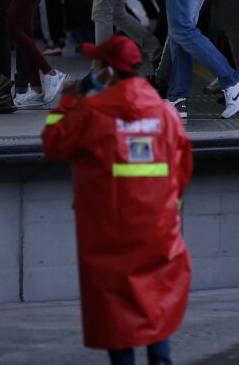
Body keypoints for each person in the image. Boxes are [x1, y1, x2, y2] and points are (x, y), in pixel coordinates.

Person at [41, 35, 192, 365]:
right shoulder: (165, 115)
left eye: (98, 65)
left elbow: (54, 145)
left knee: (116, 313)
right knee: (155, 303)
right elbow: (182, 169)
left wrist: (65, 104)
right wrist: (170, 212)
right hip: (157, 231)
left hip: (107, 233)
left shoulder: (91, 113)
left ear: (108, 72)